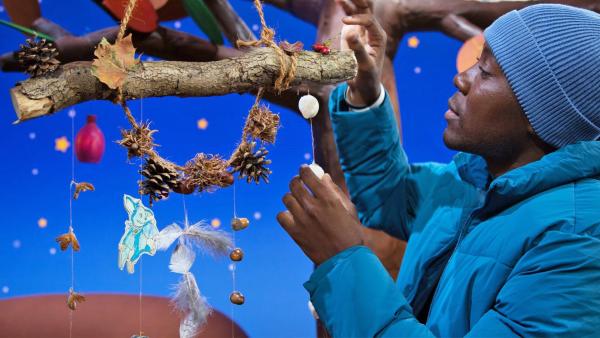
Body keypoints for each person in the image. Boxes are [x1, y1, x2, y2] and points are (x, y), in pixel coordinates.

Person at [276, 0, 600, 336]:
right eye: (476, 61)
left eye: (486, 71)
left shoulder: (579, 242)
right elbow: (389, 193)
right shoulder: (474, 182)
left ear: (541, 115)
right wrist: (366, 95)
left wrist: (342, 261)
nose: (461, 78)